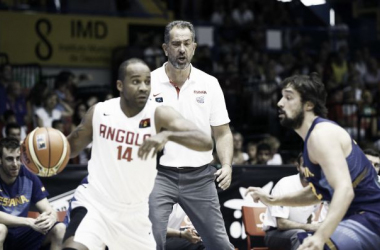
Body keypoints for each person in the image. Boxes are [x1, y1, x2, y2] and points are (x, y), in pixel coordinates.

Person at [62, 58, 213, 250]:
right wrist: (41, 150)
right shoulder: (100, 112)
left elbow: (206, 141)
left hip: (134, 214)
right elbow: (69, 148)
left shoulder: (159, 114)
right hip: (97, 203)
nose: (143, 87)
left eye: (147, 82)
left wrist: (168, 134)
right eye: (135, 81)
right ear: (120, 85)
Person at [246, 73, 380, 250]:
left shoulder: (321, 135)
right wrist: (273, 200)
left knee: (315, 246)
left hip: (370, 218)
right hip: (356, 217)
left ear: (308, 104)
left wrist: (321, 237)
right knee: (304, 242)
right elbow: (316, 192)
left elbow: (345, 190)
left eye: (288, 97)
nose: (279, 103)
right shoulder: (313, 139)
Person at [149, 20, 234, 250]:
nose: (182, 49)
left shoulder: (210, 84)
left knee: (220, 245)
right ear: (165, 48)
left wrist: (226, 165)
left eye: (187, 44)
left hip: (200, 177)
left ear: (194, 47)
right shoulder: (148, 82)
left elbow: (223, 132)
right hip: (158, 176)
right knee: (150, 240)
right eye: (176, 44)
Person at [0, 137, 66, 250]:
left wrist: (51, 218)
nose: (15, 164)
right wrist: (28, 221)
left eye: (18, 158)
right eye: (10, 159)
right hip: (5, 232)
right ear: (0, 160)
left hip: (24, 233)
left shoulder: (28, 176)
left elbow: (48, 209)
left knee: (60, 229)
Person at [263, 153, 321, 250]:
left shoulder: (317, 188)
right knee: (300, 235)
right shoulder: (284, 184)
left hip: (301, 231)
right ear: (298, 167)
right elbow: (281, 224)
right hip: (275, 234)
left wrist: (310, 228)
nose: (308, 171)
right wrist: (309, 227)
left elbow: (309, 216)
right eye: (304, 166)